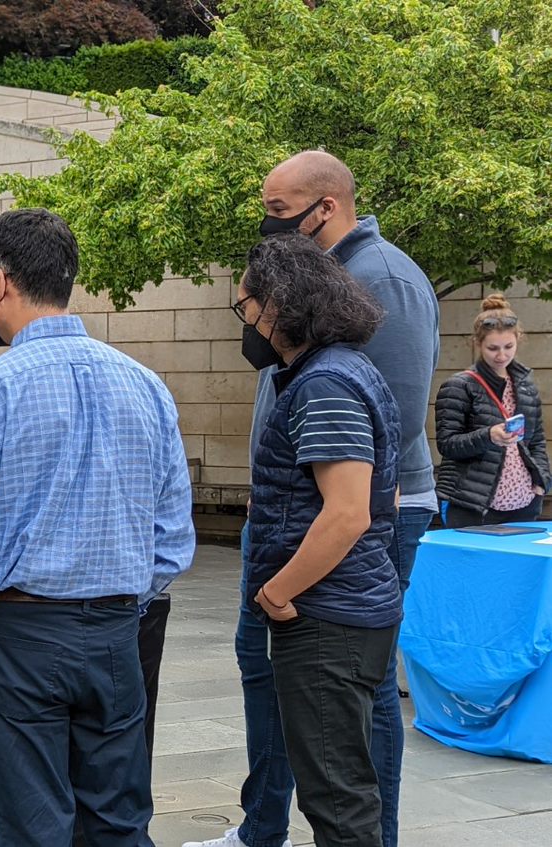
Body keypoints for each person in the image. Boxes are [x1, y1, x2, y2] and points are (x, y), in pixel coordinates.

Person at [0, 208, 195, 846]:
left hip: (19, 633)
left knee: (31, 826)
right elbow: (173, 539)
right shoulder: (147, 387)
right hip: (115, 631)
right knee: (120, 822)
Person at [188, 151, 437, 847]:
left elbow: (370, 470)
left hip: (338, 533)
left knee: (349, 709)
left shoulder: (382, 280)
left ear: (325, 207)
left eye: (278, 211)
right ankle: (265, 825)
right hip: (298, 522)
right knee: (279, 680)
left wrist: (288, 580)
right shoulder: (309, 307)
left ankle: (364, 835)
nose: (270, 225)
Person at [227, 233, 401, 847]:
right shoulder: (345, 371)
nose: (244, 321)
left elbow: (349, 513)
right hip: (348, 608)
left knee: (335, 799)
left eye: (245, 307)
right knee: (345, 787)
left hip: (326, 620)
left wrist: (277, 590)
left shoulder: (325, 384)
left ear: (278, 306)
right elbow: (386, 498)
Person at [434, 294, 548, 528]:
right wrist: (489, 436)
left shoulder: (525, 386)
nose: (502, 355)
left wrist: (541, 481)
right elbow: (447, 444)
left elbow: (536, 440)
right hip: (472, 505)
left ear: (518, 340)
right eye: (492, 348)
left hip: (524, 502)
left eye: (509, 347)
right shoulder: (459, 385)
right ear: (477, 344)